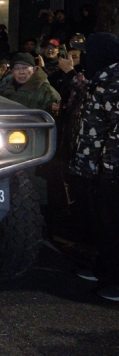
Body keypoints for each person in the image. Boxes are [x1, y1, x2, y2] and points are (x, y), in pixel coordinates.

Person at [69, 33, 119, 300]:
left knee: (112, 223)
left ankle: (114, 279)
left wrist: (106, 168)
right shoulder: (102, 80)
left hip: (111, 170)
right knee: (101, 223)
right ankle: (102, 267)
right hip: (98, 168)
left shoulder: (112, 83)